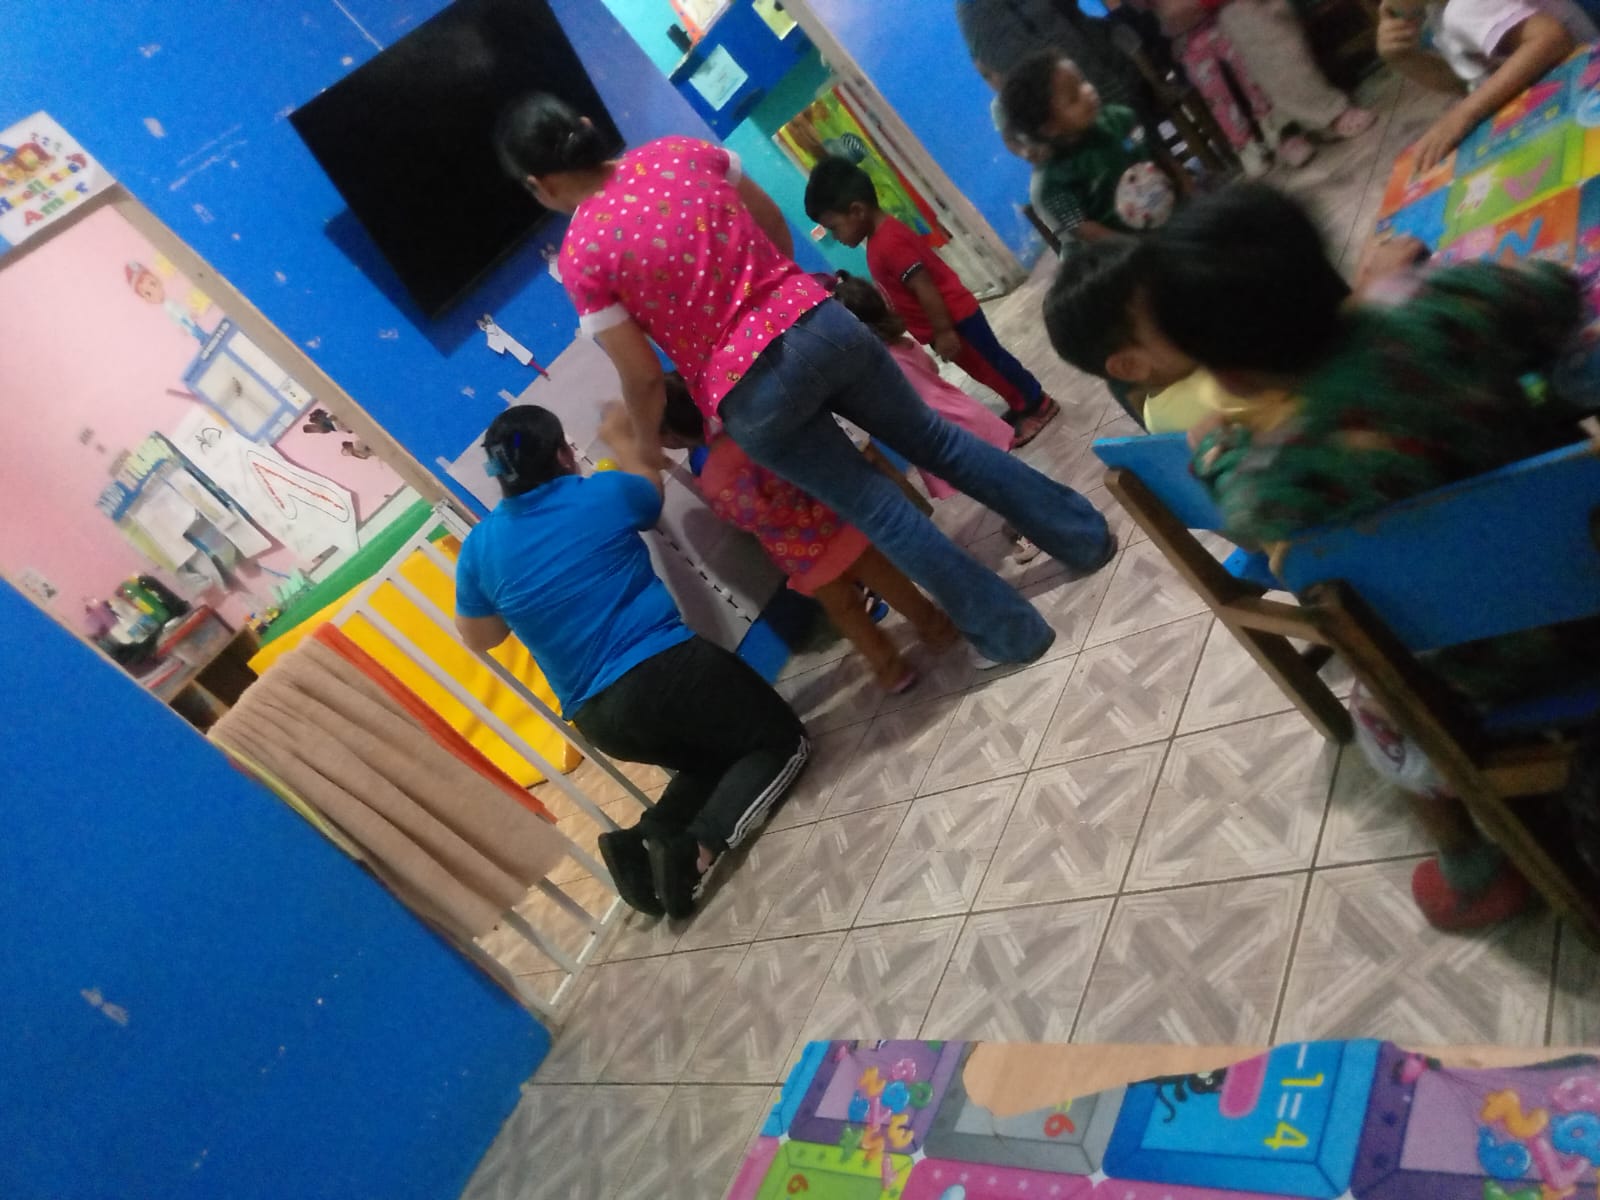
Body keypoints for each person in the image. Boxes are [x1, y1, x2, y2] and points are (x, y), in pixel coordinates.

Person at [493, 93, 1114, 669]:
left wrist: (645, 439)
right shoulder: (680, 153)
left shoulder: (583, 255)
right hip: (819, 320)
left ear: (539, 184)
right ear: (585, 129)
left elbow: (641, 374)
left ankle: (1012, 633)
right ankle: (1083, 538)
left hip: (747, 390)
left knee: (877, 510)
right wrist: (779, 298)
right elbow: (772, 225)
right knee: (938, 440)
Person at [1137, 182, 1600, 928]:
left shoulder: (1271, 481)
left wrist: (1215, 451)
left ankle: (1474, 870)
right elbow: (1556, 292)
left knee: (1377, 701)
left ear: (1230, 376)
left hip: (1484, 670)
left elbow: (1247, 521)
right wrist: (1387, 291)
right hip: (1588, 577)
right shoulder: (1449, 305)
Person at [452, 403, 808, 920]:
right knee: (781, 741)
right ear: (563, 454)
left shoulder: (479, 548)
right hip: (669, 672)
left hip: (599, 719)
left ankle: (645, 839)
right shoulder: (597, 494)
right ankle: (697, 850)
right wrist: (621, 436)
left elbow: (480, 637)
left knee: (712, 757)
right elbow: (649, 494)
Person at [656, 373, 958, 693]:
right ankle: (936, 628)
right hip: (838, 526)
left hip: (801, 557)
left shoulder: (712, 478)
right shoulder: (753, 433)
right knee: (891, 581)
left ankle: (891, 671)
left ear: (673, 438)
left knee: (846, 612)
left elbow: (744, 521)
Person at [805, 160, 1062, 445]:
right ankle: (1020, 403)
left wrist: (944, 331)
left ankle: (1037, 404)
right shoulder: (880, 241)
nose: (835, 237)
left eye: (834, 228)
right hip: (949, 325)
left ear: (857, 211)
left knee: (994, 364)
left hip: (956, 321)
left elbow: (923, 285)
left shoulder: (889, 242)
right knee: (985, 370)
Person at [829, 270, 1042, 563]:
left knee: (988, 483)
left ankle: (1031, 529)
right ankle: (1028, 513)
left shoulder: (881, 365)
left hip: (943, 426)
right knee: (995, 476)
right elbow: (931, 368)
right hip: (960, 411)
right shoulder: (904, 344)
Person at [955, 0, 1174, 169]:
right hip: (1067, 96)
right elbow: (1006, 68)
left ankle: (1167, 170)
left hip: (1096, 68)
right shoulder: (973, 10)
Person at [1377, 0, 1596, 170]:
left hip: (1585, 89)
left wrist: (1462, 114)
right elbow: (1467, 84)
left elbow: (1552, 39)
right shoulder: (1438, 11)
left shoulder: (1465, 9)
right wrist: (1404, 58)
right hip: (1556, 101)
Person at [1000, 53, 1182, 243]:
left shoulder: (1120, 119)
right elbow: (1084, 229)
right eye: (1073, 98)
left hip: (1176, 217)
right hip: (1131, 250)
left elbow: (1160, 155)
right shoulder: (1052, 185)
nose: (1088, 91)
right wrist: (1140, 247)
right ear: (1049, 128)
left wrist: (1190, 192)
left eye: (1082, 82)